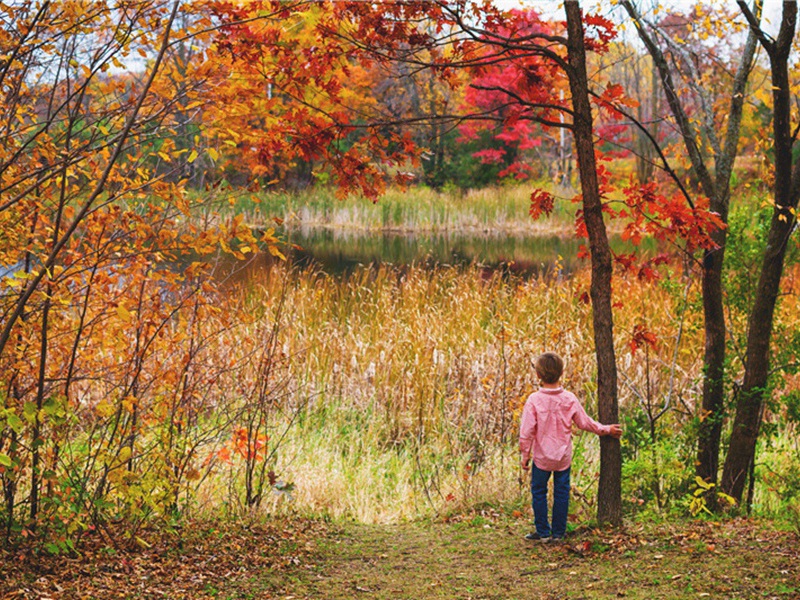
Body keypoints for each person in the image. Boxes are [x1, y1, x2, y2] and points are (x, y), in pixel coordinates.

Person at [519, 352, 622, 542]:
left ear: (538, 375)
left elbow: (526, 431)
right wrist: (605, 429)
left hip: (542, 457)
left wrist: (525, 454)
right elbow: (585, 423)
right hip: (563, 457)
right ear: (561, 373)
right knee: (561, 493)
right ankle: (558, 533)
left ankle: (542, 532)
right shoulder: (569, 399)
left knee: (539, 492)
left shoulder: (534, 400)